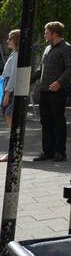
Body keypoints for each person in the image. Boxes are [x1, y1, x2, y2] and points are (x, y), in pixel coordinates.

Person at [32, 21, 71, 163]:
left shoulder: (66, 48)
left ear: (55, 33)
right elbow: (40, 70)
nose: (45, 34)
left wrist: (59, 82)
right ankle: (47, 151)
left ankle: (60, 152)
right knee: (46, 122)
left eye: (46, 32)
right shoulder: (47, 48)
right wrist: (27, 81)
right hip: (44, 91)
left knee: (58, 122)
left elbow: (69, 68)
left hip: (57, 92)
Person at [0, 29, 19, 162]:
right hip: (7, 87)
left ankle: (13, 151)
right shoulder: (14, 54)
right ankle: (13, 151)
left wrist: (7, 94)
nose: (7, 41)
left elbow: (13, 77)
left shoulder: (17, 56)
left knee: (11, 121)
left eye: (10, 38)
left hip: (10, 91)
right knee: (10, 120)